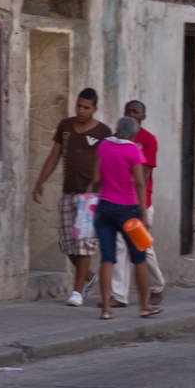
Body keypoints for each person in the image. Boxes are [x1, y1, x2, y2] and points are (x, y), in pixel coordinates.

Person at [32, 88, 113, 307]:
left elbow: (108, 162)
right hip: (68, 193)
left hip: (90, 197)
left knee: (83, 243)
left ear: (94, 109)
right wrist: (40, 182)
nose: (81, 110)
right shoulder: (65, 127)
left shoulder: (104, 132)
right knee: (67, 243)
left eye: (86, 107)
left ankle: (78, 291)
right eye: (79, 105)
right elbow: (54, 155)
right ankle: (87, 276)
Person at [91, 116, 157, 319]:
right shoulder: (133, 150)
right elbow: (139, 182)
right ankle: (144, 306)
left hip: (105, 207)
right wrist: (144, 214)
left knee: (107, 259)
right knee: (139, 258)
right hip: (129, 210)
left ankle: (106, 310)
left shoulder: (104, 146)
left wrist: (94, 196)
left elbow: (96, 178)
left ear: (117, 130)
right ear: (135, 134)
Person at [109, 100, 166, 309]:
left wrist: (139, 203)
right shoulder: (115, 138)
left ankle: (157, 285)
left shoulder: (148, 140)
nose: (131, 114)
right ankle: (118, 295)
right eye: (128, 111)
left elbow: (145, 172)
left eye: (136, 112)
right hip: (118, 200)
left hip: (140, 200)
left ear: (143, 116)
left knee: (142, 246)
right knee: (119, 246)